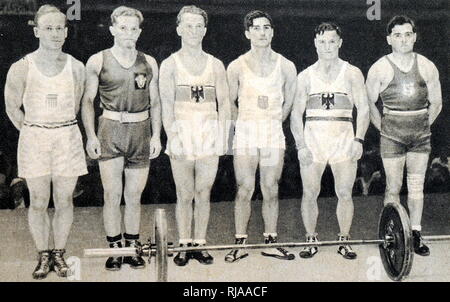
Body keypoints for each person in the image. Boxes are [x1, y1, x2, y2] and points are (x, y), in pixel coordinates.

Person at [4, 4, 88, 279]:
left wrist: (57, 128)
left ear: (66, 32)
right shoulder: (22, 67)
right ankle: (43, 254)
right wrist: (33, 130)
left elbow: (75, 105)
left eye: (59, 28)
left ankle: (59, 254)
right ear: (38, 31)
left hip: (66, 136)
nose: (54, 33)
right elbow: (12, 108)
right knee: (39, 200)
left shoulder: (76, 67)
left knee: (64, 200)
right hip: (35, 137)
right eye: (49, 28)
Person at [81, 6, 161, 271]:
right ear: (113, 29)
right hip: (110, 129)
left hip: (140, 130)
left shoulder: (148, 61)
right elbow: (88, 101)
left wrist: (156, 135)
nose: (128, 32)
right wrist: (91, 135)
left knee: (134, 195)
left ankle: (132, 247)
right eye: (123, 28)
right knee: (112, 193)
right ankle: (114, 248)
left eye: (133, 28)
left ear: (139, 31)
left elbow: (156, 101)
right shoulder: (97, 60)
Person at [290, 22, 369, 259]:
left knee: (344, 192)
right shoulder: (305, 76)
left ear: (340, 42)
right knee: (310, 192)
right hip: (314, 141)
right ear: (315, 43)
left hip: (343, 139)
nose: (327, 46)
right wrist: (301, 145)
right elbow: (295, 114)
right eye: (322, 41)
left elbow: (364, 109)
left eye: (332, 41)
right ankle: (310, 238)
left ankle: (344, 239)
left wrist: (359, 139)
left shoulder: (352, 72)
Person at [160, 5, 230, 266]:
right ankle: (183, 244)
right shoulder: (170, 64)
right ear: (179, 29)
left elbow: (224, 103)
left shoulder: (216, 65)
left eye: (198, 25)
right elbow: (166, 105)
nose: (193, 30)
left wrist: (223, 136)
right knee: (184, 192)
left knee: (203, 191)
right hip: (182, 134)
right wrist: (173, 136)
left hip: (208, 134)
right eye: (188, 25)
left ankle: (199, 243)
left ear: (205, 30)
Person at [366, 15, 442, 256]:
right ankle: (392, 232)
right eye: (397, 35)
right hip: (392, 135)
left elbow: (437, 103)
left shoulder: (427, 65)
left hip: (419, 134)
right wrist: (384, 129)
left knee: (417, 185)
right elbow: (368, 104)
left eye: (408, 34)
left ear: (415, 37)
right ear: (389, 39)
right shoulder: (379, 67)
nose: (403, 39)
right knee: (393, 186)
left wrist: (422, 126)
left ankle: (416, 233)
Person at [225, 10, 297, 262]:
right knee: (245, 187)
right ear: (247, 33)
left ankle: (271, 240)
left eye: (266, 27)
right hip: (246, 132)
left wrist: (276, 120)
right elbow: (229, 102)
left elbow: (290, 99)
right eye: (256, 28)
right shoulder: (236, 66)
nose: (262, 32)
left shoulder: (286, 65)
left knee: (271, 187)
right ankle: (239, 242)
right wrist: (243, 124)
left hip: (272, 133)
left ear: (272, 32)